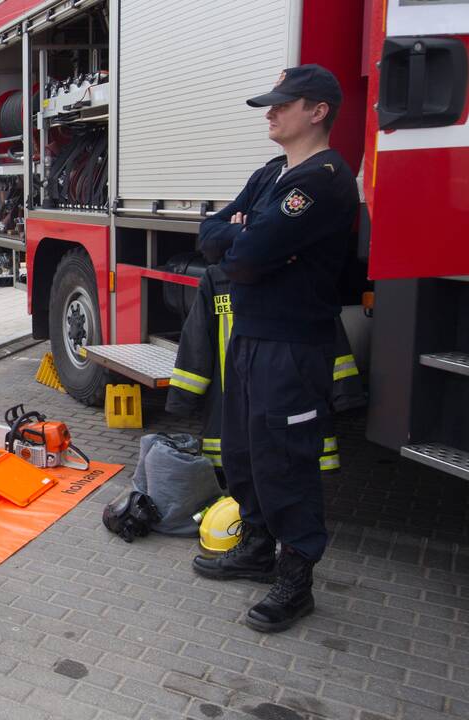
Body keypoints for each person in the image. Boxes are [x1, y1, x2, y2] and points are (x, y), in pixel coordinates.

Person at [192, 65, 358, 634]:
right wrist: (243, 234)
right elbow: (212, 236)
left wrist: (243, 236)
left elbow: (241, 254)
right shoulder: (271, 174)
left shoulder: (323, 178)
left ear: (317, 111)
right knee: (242, 451)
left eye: (283, 105)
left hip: (292, 344)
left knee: (286, 460)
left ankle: (296, 581)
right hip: (250, 336)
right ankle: (259, 548)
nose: (271, 112)